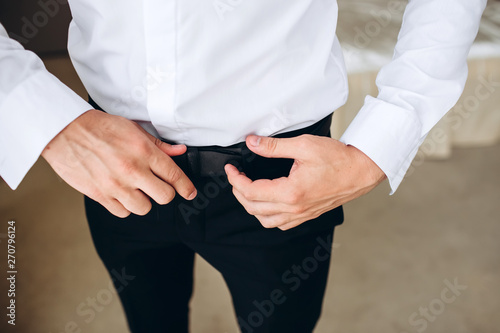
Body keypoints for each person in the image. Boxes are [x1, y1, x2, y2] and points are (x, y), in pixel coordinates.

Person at [0, 0, 486, 332]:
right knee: (148, 318)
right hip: (110, 161)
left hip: (281, 171)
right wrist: (44, 119)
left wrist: (383, 141)